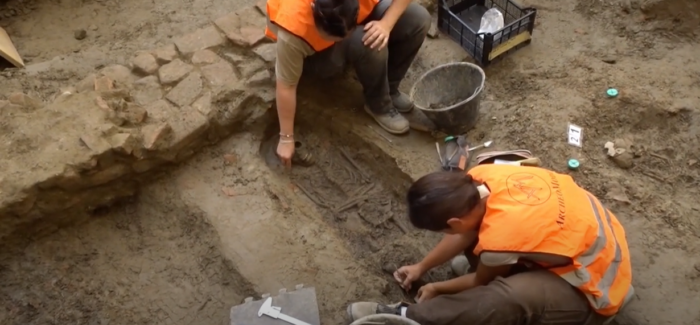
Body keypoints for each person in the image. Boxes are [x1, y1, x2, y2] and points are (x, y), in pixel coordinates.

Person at [346, 164, 635, 325]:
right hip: (592, 240)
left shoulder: (502, 238)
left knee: (503, 297)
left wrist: (436, 287)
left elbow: (480, 282)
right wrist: (422, 267)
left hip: (597, 287)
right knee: (479, 252)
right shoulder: (481, 177)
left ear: (454, 222)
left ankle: (408, 315)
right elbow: (464, 233)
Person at [264, 0, 430, 167]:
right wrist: (286, 138)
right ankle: (379, 104)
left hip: (353, 18)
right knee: (368, 43)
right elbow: (286, 85)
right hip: (313, 53)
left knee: (418, 19)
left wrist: (386, 24)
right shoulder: (293, 26)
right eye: (336, 37)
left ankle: (390, 89)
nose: (342, 39)